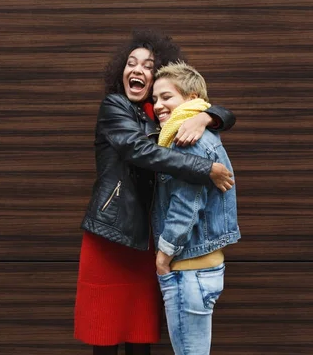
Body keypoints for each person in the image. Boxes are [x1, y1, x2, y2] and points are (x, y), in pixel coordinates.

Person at [74, 29, 237, 355]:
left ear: (156, 76)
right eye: (130, 63)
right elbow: (138, 151)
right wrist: (205, 169)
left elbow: (215, 109)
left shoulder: (159, 114)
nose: (136, 69)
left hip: (145, 241)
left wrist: (207, 116)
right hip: (110, 236)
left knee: (140, 335)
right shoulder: (114, 107)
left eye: (147, 65)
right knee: (105, 335)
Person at [151, 61, 241, 355]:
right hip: (204, 266)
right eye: (155, 99)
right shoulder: (201, 133)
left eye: (167, 97)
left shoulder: (186, 140)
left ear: (191, 100)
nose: (158, 105)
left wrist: (164, 256)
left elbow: (185, 206)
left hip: (189, 270)